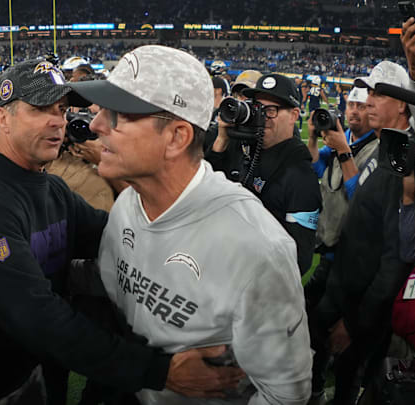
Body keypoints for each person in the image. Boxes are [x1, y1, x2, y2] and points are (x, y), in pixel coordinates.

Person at [0, 59, 246, 405]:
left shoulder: (50, 188)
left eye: (60, 109)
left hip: (37, 365)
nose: (57, 121)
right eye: (40, 109)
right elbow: (38, 316)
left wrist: (202, 249)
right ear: (3, 118)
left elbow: (117, 237)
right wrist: (161, 371)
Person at [70, 44, 312, 405]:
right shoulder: (129, 203)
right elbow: (115, 297)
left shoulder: (256, 247)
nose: (96, 125)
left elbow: (285, 395)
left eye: (118, 115)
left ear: (177, 137)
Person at [308, 60, 415, 405]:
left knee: (347, 380)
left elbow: (394, 259)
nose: (369, 100)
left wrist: (354, 324)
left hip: (360, 310)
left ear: (402, 105)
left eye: (380, 93)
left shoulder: (404, 162)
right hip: (343, 290)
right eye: (369, 91)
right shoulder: (382, 152)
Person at [206, 73, 322, 276]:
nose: (262, 117)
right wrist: (222, 140)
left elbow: (300, 259)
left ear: (294, 115)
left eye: (271, 110)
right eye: (258, 108)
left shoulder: (300, 174)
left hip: (255, 284)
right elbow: (203, 192)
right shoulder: (245, 148)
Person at [304, 86, 377, 309]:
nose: (354, 111)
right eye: (352, 105)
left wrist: (344, 151)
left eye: (361, 107)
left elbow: (360, 197)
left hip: (351, 252)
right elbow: (316, 167)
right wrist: (313, 138)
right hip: (329, 243)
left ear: (371, 111)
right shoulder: (343, 137)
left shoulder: (377, 147)